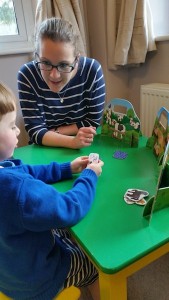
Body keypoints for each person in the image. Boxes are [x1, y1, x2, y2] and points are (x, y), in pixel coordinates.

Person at [0, 81, 104, 299]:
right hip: (36, 280)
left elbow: (24, 171)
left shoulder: (5, 169)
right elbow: (70, 209)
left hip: (7, 271)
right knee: (95, 264)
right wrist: (89, 175)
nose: (18, 129)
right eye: (11, 125)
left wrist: (67, 168)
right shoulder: (16, 189)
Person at [18, 17, 106, 149]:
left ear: (77, 59)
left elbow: (93, 122)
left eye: (64, 65)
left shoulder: (92, 71)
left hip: (84, 144)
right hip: (44, 149)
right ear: (36, 56)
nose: (54, 75)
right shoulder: (27, 75)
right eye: (46, 62)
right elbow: (35, 131)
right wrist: (72, 141)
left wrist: (55, 132)